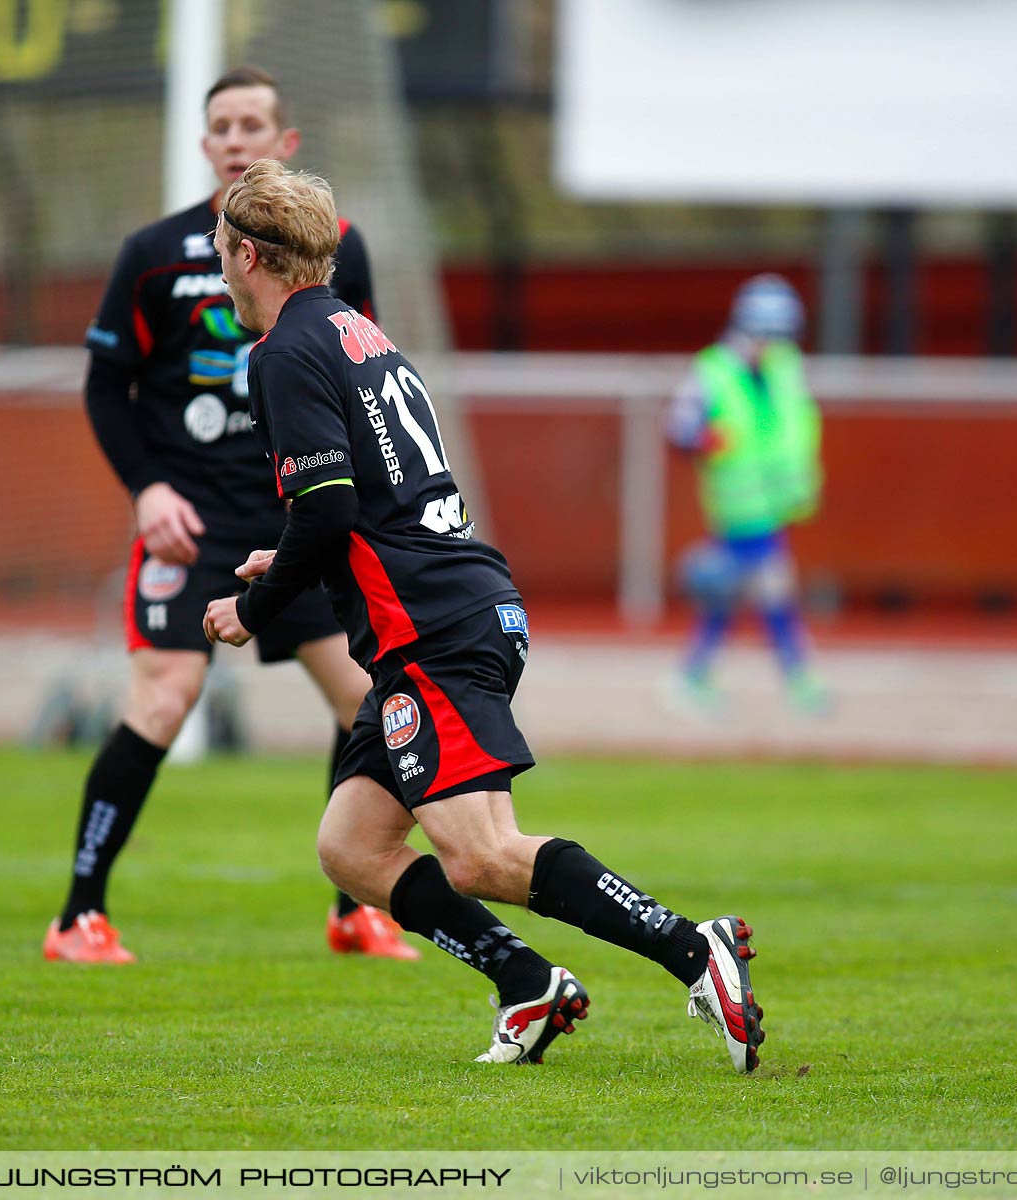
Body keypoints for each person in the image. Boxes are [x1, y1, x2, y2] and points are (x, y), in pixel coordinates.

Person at [203, 160, 766, 1072]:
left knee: (480, 855)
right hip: (446, 610)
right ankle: (527, 985)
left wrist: (257, 605)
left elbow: (333, 508)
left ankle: (691, 948)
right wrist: (308, 559)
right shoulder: (355, 331)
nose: (221, 269)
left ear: (251, 253)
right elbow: (365, 503)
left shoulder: (282, 353)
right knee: (352, 846)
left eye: (223, 252)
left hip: (431, 628)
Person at [47, 66, 415, 963]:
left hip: (302, 522)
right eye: (222, 125)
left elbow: (357, 378)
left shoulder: (341, 250)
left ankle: (354, 907)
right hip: (194, 523)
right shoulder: (153, 254)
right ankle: (78, 918)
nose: (238, 137)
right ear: (206, 145)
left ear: (286, 144)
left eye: (255, 123)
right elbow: (105, 384)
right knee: (165, 701)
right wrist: (148, 488)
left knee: (373, 700)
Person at [668, 274, 828, 712]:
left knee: (737, 594)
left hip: (776, 504)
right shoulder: (713, 371)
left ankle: (695, 674)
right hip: (738, 506)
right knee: (768, 591)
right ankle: (797, 678)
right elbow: (680, 430)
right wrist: (705, 440)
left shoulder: (784, 365)